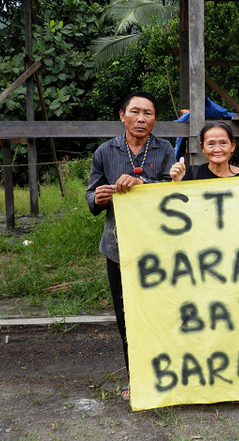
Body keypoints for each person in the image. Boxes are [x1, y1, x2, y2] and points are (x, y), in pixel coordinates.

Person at [85, 91, 175, 401]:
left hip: (158, 247)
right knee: (126, 314)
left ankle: (166, 373)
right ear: (122, 115)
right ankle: (135, 377)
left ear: (155, 120)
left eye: (148, 113)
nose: (141, 118)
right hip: (118, 246)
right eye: (134, 112)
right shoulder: (105, 151)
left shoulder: (164, 150)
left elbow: (173, 193)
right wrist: (96, 199)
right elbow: (91, 195)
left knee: (161, 311)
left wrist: (143, 185)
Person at [170, 121, 239, 181]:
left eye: (223, 143)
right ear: (202, 148)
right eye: (211, 144)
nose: (217, 149)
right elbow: (178, 201)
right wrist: (177, 181)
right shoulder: (192, 175)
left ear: (232, 146)